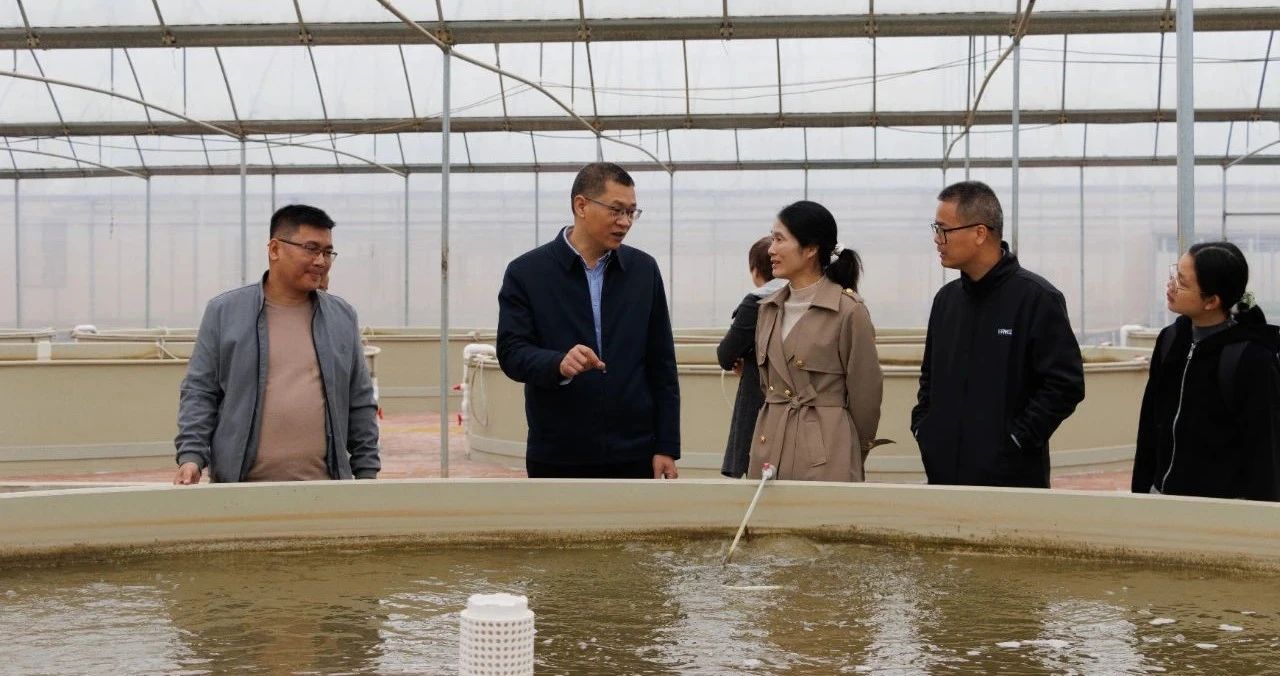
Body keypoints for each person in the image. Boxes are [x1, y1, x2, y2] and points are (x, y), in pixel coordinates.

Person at [497, 162, 680, 479]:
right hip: (558, 453)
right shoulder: (527, 273)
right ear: (581, 205)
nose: (625, 222)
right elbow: (511, 351)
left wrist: (666, 445)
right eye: (616, 210)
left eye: (631, 212)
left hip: (634, 452)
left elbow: (661, 363)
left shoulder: (643, 271)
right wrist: (557, 363)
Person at [173, 204, 380, 484]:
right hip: (241, 489)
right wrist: (192, 457)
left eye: (328, 252)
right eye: (311, 249)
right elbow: (200, 391)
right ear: (274, 249)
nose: (321, 261)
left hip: (325, 488)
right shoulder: (225, 312)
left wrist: (367, 473)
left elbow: (360, 401)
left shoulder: (341, 317)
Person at [912, 180, 1084, 488]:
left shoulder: (1037, 298)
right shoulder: (946, 300)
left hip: (1011, 483)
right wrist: (925, 429)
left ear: (980, 233)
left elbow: (1065, 385)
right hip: (944, 477)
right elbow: (930, 378)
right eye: (935, 229)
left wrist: (1017, 440)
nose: (937, 240)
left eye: (944, 230)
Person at [1132, 241, 1280, 501]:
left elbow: (1264, 449)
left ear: (1211, 301)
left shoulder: (1251, 358)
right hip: (1159, 499)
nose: (1170, 285)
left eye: (1182, 282)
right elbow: (1149, 426)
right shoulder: (1170, 340)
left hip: (1218, 510)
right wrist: (1140, 494)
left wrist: (1258, 515)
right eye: (1174, 273)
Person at [748, 200, 883, 482]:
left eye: (780, 239)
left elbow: (866, 397)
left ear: (810, 249)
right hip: (769, 449)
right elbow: (766, 386)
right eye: (772, 239)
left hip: (827, 454)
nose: (771, 249)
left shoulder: (848, 311)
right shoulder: (768, 309)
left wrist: (851, 450)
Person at [718, 236, 787, 478]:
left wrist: (745, 363)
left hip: (760, 399)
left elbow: (726, 354)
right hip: (798, 410)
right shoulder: (804, 297)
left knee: (756, 471)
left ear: (755, 270)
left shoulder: (757, 302)